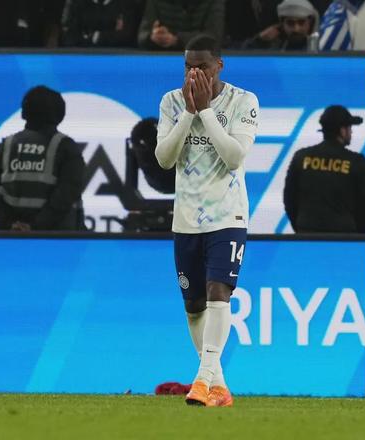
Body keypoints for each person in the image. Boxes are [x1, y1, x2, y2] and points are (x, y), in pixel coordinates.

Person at [154, 35, 259, 407]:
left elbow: (234, 156)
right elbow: (164, 159)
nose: (194, 74)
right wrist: (188, 113)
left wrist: (206, 112)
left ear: (219, 66)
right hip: (185, 219)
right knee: (194, 306)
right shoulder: (171, 101)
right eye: (188, 67)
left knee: (219, 292)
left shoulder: (243, 101)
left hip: (227, 214)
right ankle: (219, 386)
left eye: (202, 67)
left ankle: (201, 379)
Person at [0, 86, 85, 231]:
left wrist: (8, 224)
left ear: (24, 112)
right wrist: (35, 227)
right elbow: (67, 193)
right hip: (59, 239)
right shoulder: (66, 148)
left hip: (13, 238)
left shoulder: (6, 146)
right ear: (59, 114)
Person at [283, 105, 365, 233]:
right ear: (342, 131)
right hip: (344, 237)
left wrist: (301, 228)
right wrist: (356, 234)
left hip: (306, 234)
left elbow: (289, 198)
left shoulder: (301, 157)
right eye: (349, 128)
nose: (351, 132)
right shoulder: (357, 162)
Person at [137, 0, 225, 50]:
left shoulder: (213, 2)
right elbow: (142, 36)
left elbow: (214, 37)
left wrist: (176, 40)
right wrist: (154, 37)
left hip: (202, 59)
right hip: (163, 58)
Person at [242, 0, 320, 51]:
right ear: (282, 24)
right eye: (290, 23)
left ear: (310, 23)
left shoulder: (321, 45)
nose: (296, 29)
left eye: (301, 22)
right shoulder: (275, 47)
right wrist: (259, 40)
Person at [60, 0, 141, 48]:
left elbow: (125, 36)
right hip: (80, 58)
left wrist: (95, 37)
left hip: (117, 59)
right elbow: (69, 35)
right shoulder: (76, 3)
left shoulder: (127, 4)